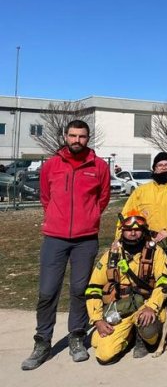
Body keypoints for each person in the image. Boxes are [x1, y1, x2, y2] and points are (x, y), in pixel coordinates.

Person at [21, 120, 111, 370]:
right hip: (55, 238)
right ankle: (42, 342)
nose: (76, 140)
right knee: (47, 292)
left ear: (88, 138)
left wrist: (90, 217)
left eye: (82, 136)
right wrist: (56, 218)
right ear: (65, 136)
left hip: (85, 239)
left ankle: (77, 338)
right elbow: (45, 196)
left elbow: (103, 198)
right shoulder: (51, 165)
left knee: (80, 290)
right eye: (72, 135)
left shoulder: (99, 166)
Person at [85, 211, 167, 364]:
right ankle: (128, 337)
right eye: (128, 230)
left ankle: (144, 339)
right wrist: (97, 319)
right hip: (121, 309)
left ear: (144, 231)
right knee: (103, 353)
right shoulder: (112, 254)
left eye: (137, 230)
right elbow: (93, 288)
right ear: (122, 231)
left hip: (146, 306)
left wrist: (152, 306)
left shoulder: (156, 252)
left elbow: (163, 282)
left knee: (149, 329)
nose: (132, 233)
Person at [120, 152, 167, 268]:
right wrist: (118, 240)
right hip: (145, 248)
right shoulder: (141, 191)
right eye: (160, 165)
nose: (163, 167)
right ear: (154, 169)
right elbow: (125, 217)